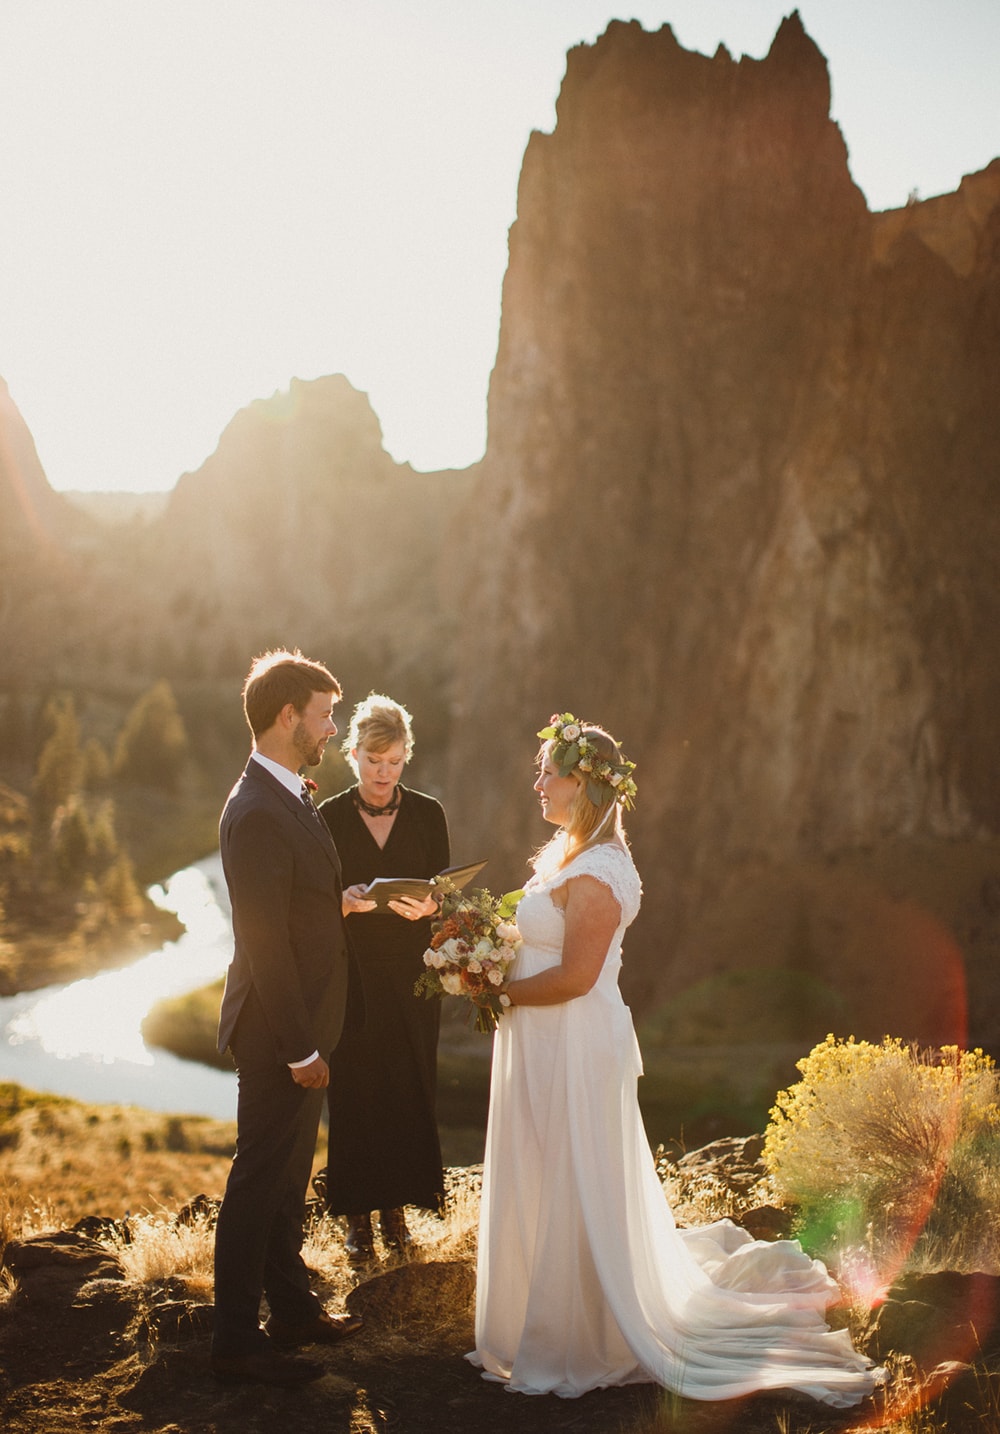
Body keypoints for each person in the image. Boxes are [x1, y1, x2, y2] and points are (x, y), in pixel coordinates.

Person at [469, 714, 884, 1407]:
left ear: (584, 784)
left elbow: (575, 977)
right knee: (544, 1167)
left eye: (548, 770)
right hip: (540, 1040)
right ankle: (537, 1321)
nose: (537, 780)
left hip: (572, 1041)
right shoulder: (565, 856)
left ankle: (582, 1334)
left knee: (576, 1175)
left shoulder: (602, 870)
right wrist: (476, 949)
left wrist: (496, 990)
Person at [211, 650, 373, 1387]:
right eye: (324, 716)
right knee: (258, 1180)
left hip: (305, 1025)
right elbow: (261, 942)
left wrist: (339, 902)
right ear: (287, 717)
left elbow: (291, 906)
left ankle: (294, 1310)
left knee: (285, 1180)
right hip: (280, 1030)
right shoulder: (254, 810)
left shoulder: (288, 796)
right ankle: (237, 1342)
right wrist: (301, 1047)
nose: (331, 730)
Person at [319, 694, 449, 1259]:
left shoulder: (429, 813)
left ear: (405, 759)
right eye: (374, 761)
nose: (383, 773)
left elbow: (447, 890)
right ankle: (356, 1221)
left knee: (405, 1088)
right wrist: (340, 903)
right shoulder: (326, 818)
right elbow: (310, 898)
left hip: (415, 978)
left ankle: (397, 1212)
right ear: (352, 756)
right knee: (354, 1092)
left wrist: (432, 908)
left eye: (394, 762)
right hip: (353, 978)